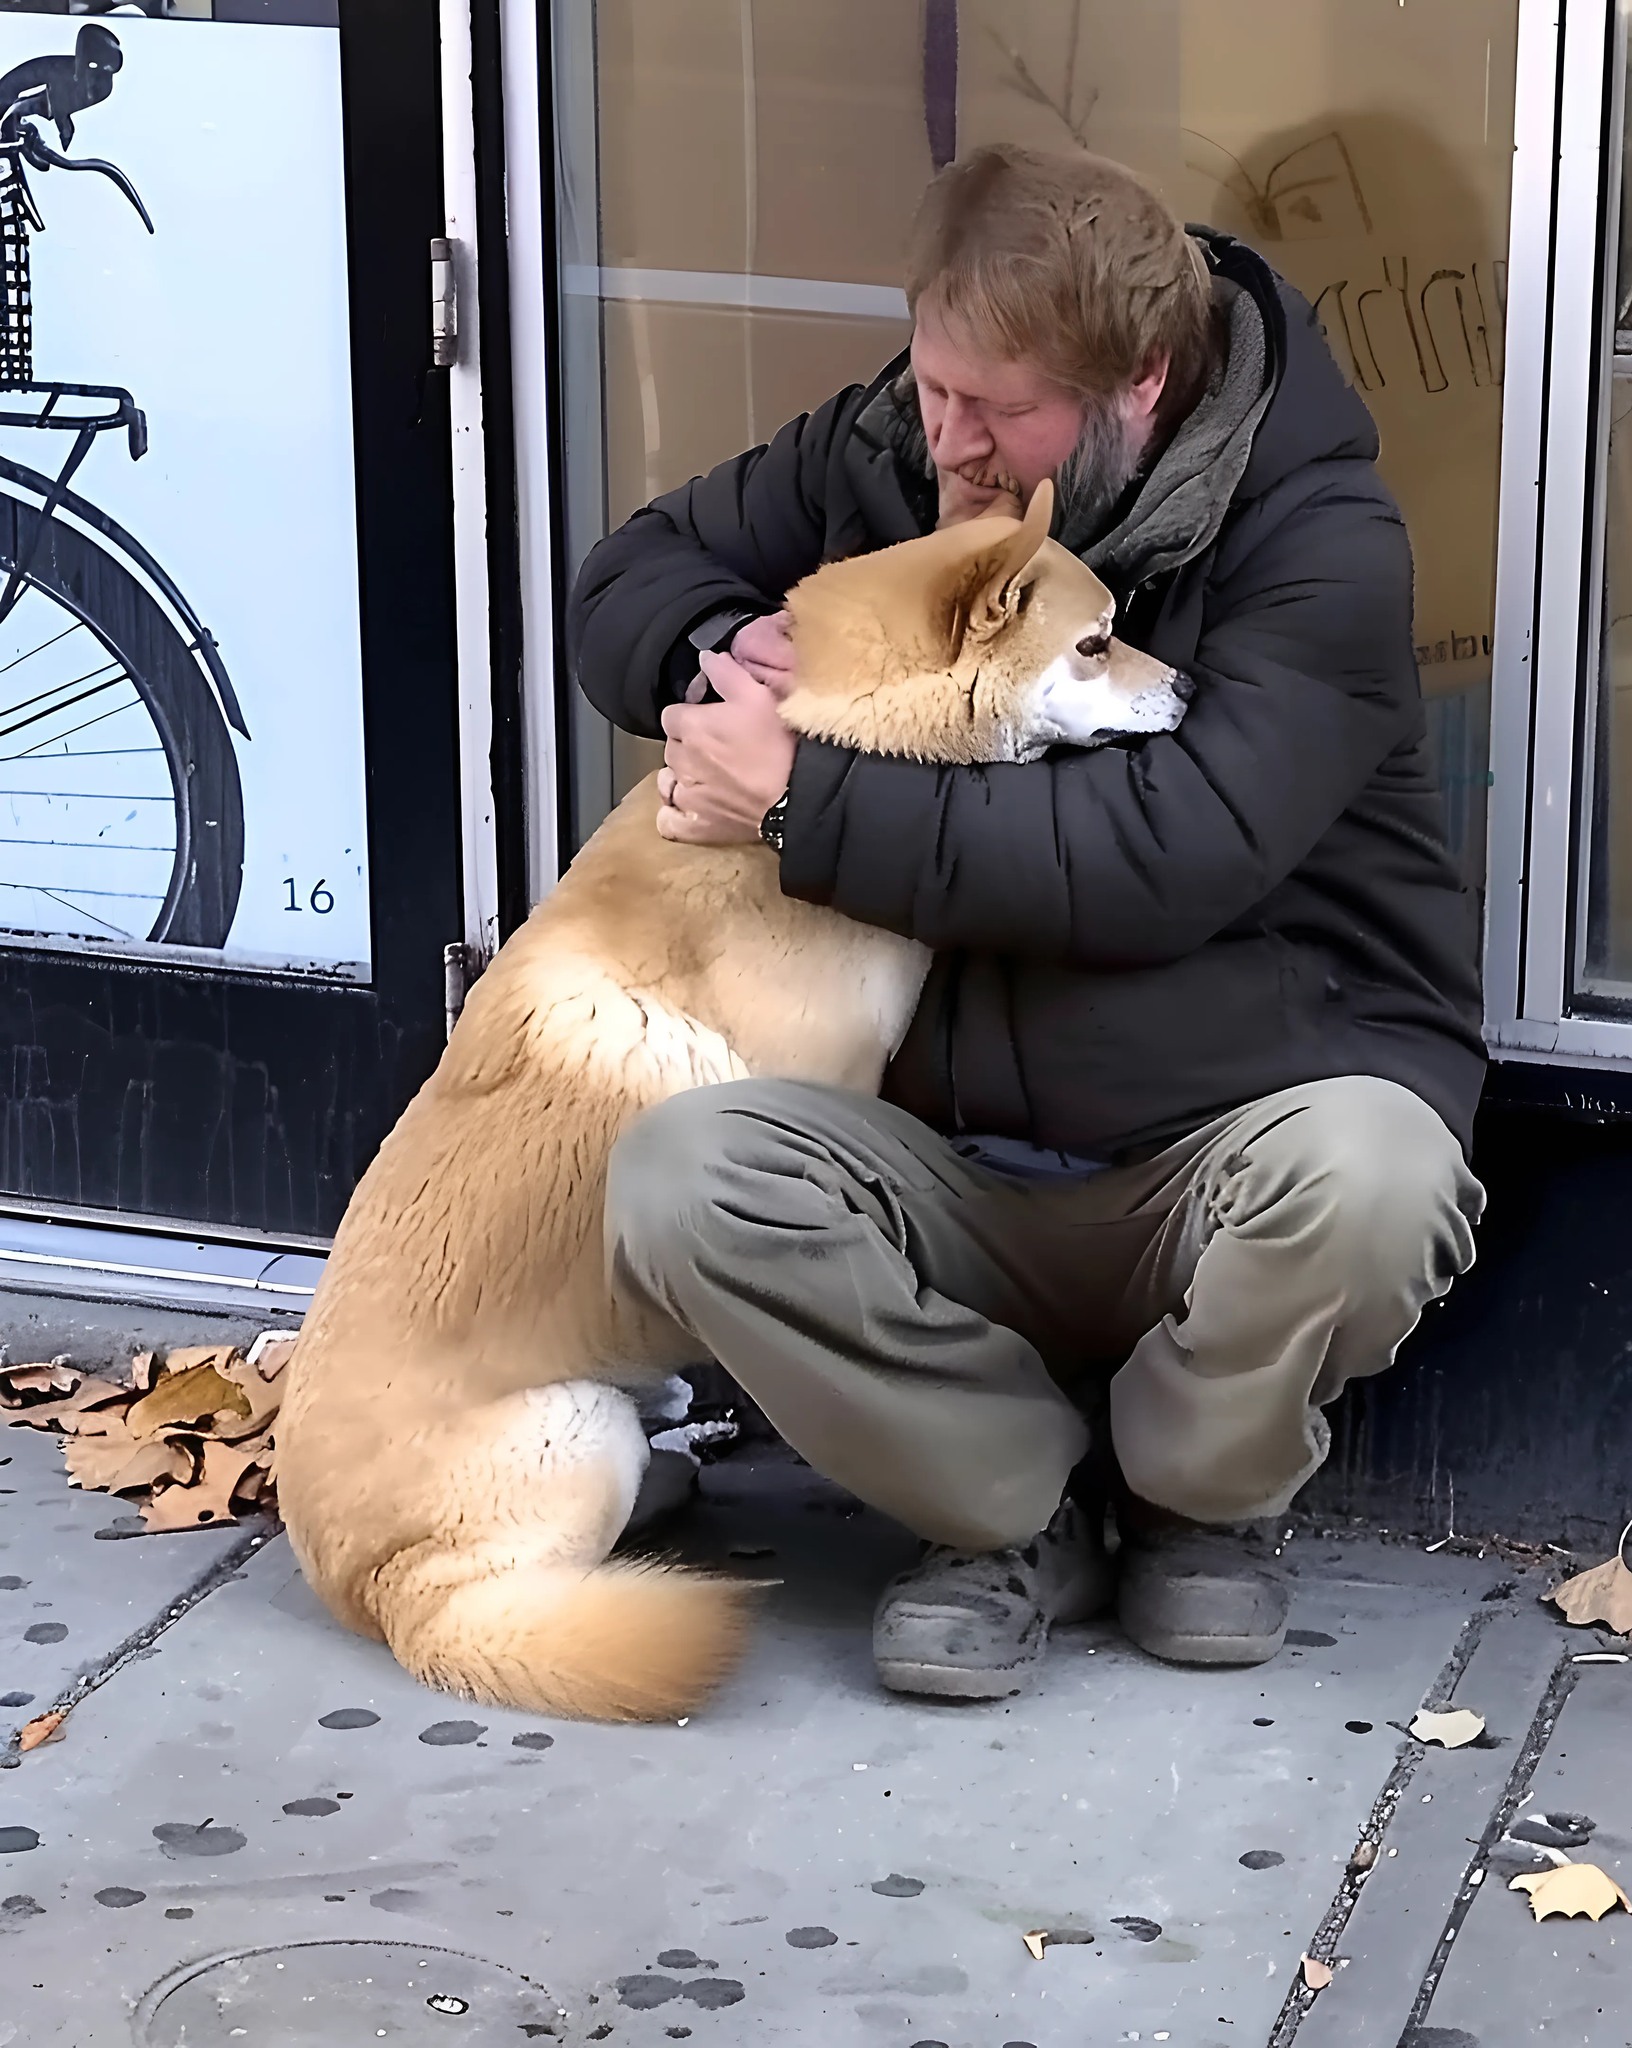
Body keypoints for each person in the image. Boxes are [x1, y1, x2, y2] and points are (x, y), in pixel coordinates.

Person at [568, 143, 1486, 1701]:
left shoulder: (1320, 545)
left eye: (997, 410)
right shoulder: (902, 447)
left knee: (1378, 1177)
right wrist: (742, 652)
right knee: (679, 1177)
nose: (949, 441)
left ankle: (1194, 1503)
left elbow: (1160, 858)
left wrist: (803, 801)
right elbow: (628, 577)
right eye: (934, 383)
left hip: (1220, 1152)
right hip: (953, 1166)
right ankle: (1010, 1507)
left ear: (1138, 386)